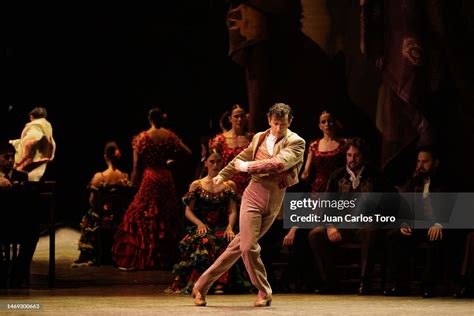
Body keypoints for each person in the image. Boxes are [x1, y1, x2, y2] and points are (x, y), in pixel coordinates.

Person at [192, 103, 305, 307]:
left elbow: (279, 163)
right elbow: (243, 156)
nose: (278, 129)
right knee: (247, 247)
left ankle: (200, 286)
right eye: (275, 123)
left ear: (290, 122)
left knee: (238, 246)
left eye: (283, 124)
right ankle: (264, 290)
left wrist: (247, 167)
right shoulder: (260, 136)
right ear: (269, 120)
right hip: (253, 193)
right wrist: (223, 175)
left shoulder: (296, 142)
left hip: (274, 197)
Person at [309, 137, 395, 295]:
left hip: (366, 225)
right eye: (349, 155)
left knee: (370, 232)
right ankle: (331, 282)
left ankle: (365, 282)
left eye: (356, 156)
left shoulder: (375, 175)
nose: (352, 159)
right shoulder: (337, 175)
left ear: (363, 156)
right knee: (316, 235)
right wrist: (331, 226)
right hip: (343, 225)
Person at [112, 107, 191, 270]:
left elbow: (136, 164)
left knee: (143, 212)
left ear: (149, 119)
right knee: (165, 214)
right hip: (166, 177)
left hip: (150, 176)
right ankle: (166, 258)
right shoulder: (169, 136)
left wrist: (134, 182)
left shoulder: (142, 138)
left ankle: (144, 256)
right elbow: (187, 152)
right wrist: (171, 160)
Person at [167, 149, 250, 294]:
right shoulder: (197, 184)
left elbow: (232, 210)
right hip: (204, 225)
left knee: (229, 241)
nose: (215, 164)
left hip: (222, 226)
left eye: (218, 161)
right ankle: (202, 284)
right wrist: (199, 224)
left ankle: (221, 283)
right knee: (204, 241)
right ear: (205, 163)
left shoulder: (229, 184)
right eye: (212, 161)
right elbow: (188, 210)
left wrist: (230, 227)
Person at [385, 147, 451, 298]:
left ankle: (429, 285)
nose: (421, 165)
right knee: (394, 236)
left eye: (425, 162)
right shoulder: (414, 181)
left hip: (438, 225)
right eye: (419, 161)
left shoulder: (444, 181)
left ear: (435, 163)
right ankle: (400, 285)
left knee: (435, 238)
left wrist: (439, 224)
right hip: (419, 225)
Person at [72, 141, 131, 267]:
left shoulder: (100, 177)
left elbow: (92, 201)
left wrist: (102, 211)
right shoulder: (124, 177)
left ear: (105, 157)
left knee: (90, 215)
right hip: (118, 216)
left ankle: (91, 252)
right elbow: (125, 201)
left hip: (102, 216)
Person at [0, 141, 37, 288]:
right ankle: (2, 273)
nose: (10, 160)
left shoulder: (22, 177)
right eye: (6, 157)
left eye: (12, 157)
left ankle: (16, 273)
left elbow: (26, 203)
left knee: (33, 233)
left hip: (16, 223)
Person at [209, 104, 253, 195]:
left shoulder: (252, 138)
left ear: (246, 117)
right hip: (227, 184)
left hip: (249, 184)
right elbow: (213, 164)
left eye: (242, 116)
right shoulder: (220, 140)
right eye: (236, 116)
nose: (239, 119)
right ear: (230, 118)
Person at [10, 106, 56, 181]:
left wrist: (17, 163)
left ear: (31, 116)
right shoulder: (47, 127)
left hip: (29, 165)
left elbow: (30, 142)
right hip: (40, 162)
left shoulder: (34, 126)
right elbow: (52, 143)